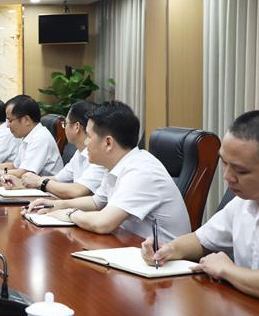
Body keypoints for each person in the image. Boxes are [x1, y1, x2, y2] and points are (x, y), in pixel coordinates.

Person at [141, 110, 259, 306]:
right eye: (224, 163)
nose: (227, 176)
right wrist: (168, 250)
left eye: (241, 171)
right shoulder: (246, 200)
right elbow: (201, 240)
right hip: (248, 310)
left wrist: (226, 270)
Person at [25, 101, 191, 242]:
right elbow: (96, 202)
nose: (86, 143)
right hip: (130, 248)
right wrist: (55, 205)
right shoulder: (117, 164)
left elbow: (104, 223)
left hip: (162, 262)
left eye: (89, 136)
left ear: (108, 143)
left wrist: (69, 213)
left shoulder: (141, 171)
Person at [2, 100, 106, 198]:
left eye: (65, 123)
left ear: (76, 127)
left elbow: (78, 191)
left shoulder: (99, 156)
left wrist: (39, 182)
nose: (64, 128)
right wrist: (22, 183)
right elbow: (58, 179)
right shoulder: (79, 152)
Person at [0, 95, 63, 177]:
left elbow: (23, 173)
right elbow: (15, 166)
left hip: (46, 185)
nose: (7, 125)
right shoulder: (28, 135)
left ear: (26, 120)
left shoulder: (40, 138)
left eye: (10, 120)